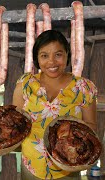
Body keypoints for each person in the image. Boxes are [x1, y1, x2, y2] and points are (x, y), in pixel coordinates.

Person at [12, 30, 98, 179]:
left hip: (68, 167)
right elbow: (16, 124)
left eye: (58, 54)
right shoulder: (25, 85)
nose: (51, 62)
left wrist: (71, 135)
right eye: (44, 56)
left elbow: (91, 125)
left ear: (67, 55)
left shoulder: (83, 87)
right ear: (37, 59)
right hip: (32, 168)